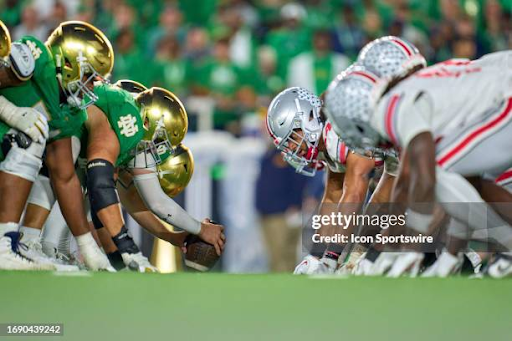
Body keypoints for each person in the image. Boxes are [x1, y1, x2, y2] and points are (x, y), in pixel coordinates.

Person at [0, 21, 114, 270]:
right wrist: (8, 111)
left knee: (38, 140)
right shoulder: (36, 60)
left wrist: (86, 245)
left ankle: (13, 243)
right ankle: (3, 245)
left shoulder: (70, 112)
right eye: (90, 76)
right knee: (30, 135)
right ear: (70, 62)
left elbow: (64, 177)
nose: (92, 86)